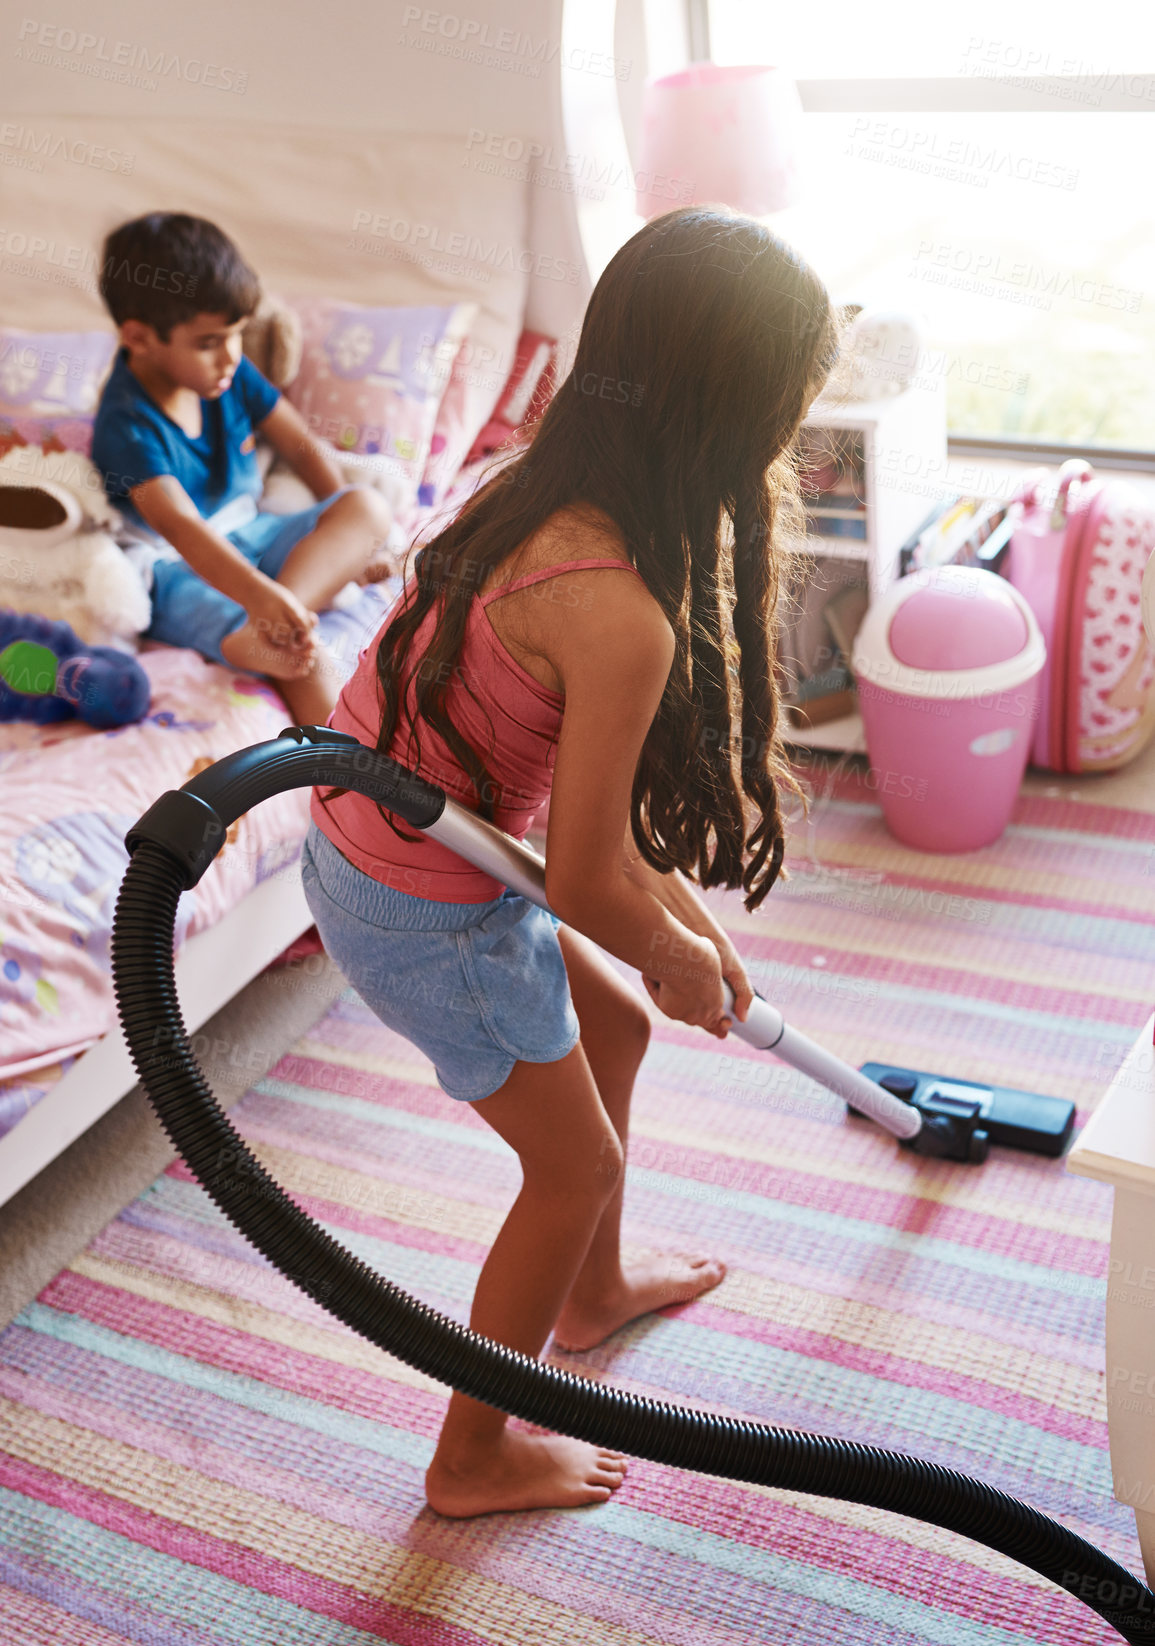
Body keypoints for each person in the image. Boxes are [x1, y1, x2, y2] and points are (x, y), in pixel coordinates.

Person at [303, 205, 840, 1518]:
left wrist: (683, 943)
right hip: (422, 909)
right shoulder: (614, 610)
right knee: (572, 1163)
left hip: (394, 851)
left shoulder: (534, 494)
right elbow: (589, 885)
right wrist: (665, 947)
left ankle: (590, 1292)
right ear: (728, 418)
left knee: (613, 1023)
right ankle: (469, 1453)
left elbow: (585, 842)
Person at [90, 211, 395, 727]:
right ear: (139, 338)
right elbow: (180, 528)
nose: (229, 355)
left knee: (366, 506)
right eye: (208, 343)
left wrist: (285, 594)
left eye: (236, 334)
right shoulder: (126, 423)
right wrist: (260, 596)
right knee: (299, 657)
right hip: (178, 569)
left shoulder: (229, 375)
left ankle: (282, 620)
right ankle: (348, 787)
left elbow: (302, 446)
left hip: (253, 537)